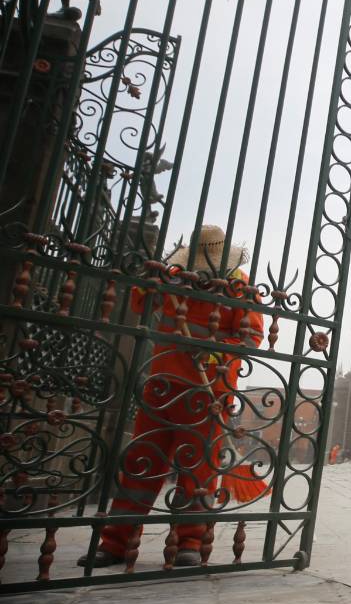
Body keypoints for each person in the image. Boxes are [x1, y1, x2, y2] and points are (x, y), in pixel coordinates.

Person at [79, 226, 265, 569]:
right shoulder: (175, 277)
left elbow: (251, 337)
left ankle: (188, 543)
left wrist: (211, 353)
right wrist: (158, 274)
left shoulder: (240, 285)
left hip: (209, 393)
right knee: (140, 465)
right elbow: (140, 300)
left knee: (199, 471)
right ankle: (115, 543)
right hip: (162, 388)